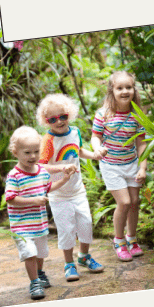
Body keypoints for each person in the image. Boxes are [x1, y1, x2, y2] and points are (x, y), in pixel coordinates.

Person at [36, 93, 104, 281]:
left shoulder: (74, 132)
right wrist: (62, 167)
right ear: (46, 121)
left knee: (86, 224)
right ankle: (69, 264)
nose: (59, 121)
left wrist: (94, 155)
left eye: (63, 116)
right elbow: (40, 165)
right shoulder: (48, 141)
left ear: (69, 114)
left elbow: (78, 151)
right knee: (66, 230)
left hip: (77, 190)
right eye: (53, 119)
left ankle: (84, 256)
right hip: (59, 193)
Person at [5, 126, 71, 300]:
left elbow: (48, 187)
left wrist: (64, 179)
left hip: (39, 224)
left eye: (36, 152)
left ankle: (40, 273)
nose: (33, 156)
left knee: (41, 253)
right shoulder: (14, 175)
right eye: (27, 152)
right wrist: (33, 201)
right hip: (22, 227)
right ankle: (34, 282)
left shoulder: (41, 171)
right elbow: (11, 199)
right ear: (15, 152)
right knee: (30, 253)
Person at [88, 72, 146, 261]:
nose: (124, 91)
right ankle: (119, 241)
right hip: (111, 165)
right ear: (112, 91)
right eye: (119, 88)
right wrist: (97, 149)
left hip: (131, 164)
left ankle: (132, 238)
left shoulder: (137, 115)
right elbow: (95, 136)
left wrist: (142, 168)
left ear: (133, 90)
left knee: (135, 203)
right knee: (125, 202)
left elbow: (141, 143)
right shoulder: (103, 114)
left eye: (128, 87)